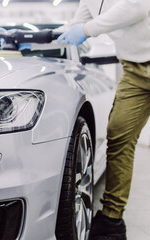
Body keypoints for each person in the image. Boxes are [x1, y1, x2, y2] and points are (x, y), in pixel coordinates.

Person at [57, 0, 150, 239]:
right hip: (134, 71)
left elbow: (137, 6)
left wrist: (87, 30)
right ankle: (111, 221)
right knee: (119, 135)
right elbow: (73, 26)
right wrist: (25, 38)